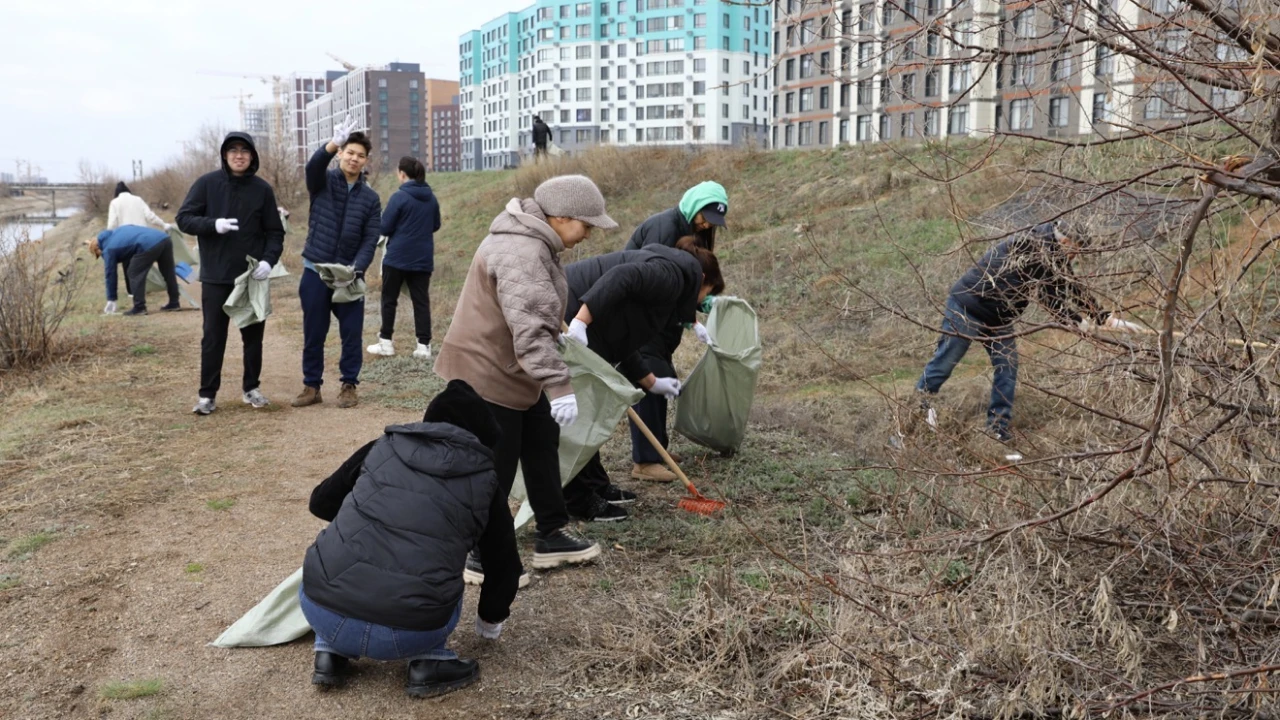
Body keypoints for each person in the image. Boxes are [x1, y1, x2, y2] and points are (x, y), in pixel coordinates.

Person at [435, 174, 617, 582]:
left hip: (515, 367)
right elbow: (529, 328)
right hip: (487, 370)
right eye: (587, 225)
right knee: (495, 463)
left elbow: (534, 311)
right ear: (562, 216)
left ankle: (551, 532)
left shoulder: (535, 240)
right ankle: (481, 554)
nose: (589, 233)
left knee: (541, 441)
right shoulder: (522, 250)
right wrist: (559, 385)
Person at [301, 379, 515, 698]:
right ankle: (428, 662)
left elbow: (320, 502)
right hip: (409, 632)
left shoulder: (383, 446)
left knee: (336, 557)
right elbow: (503, 564)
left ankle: (330, 650)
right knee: (445, 568)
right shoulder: (485, 480)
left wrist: (373, 517)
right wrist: (489, 621)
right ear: (482, 438)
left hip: (321, 609)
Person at [560, 237, 725, 521]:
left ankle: (597, 486)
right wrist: (580, 321)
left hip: (583, 317)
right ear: (703, 281)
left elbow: (624, 336)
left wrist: (651, 382)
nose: (700, 304)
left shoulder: (670, 289)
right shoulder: (670, 275)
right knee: (581, 411)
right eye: (707, 293)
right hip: (565, 309)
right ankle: (578, 500)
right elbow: (621, 277)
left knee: (588, 408)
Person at [916, 220, 1114, 442]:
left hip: (998, 318)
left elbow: (1071, 285)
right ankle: (914, 413)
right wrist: (1080, 323)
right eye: (1076, 250)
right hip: (968, 307)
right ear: (1066, 241)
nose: (1076, 256)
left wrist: (1101, 317)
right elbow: (1050, 300)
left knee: (1007, 367)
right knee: (945, 362)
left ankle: (997, 428)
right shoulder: (1033, 247)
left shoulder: (1053, 250)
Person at [620, 181, 729, 481]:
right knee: (650, 380)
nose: (707, 224)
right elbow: (649, 278)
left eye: (713, 221)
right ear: (694, 206)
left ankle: (659, 450)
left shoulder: (694, 232)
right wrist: (688, 317)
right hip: (641, 316)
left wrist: (699, 304)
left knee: (664, 377)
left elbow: (687, 279)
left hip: (663, 319)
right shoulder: (665, 227)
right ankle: (644, 462)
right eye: (705, 216)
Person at [177, 132, 285, 415]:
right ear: (225, 155)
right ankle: (207, 395)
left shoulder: (262, 190)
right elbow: (184, 218)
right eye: (233, 150)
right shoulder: (207, 184)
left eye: (245, 151)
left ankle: (251, 388)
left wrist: (268, 261)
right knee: (213, 336)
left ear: (252, 156)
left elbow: (275, 232)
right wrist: (213, 224)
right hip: (215, 275)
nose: (239, 155)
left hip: (250, 277)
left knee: (252, 336)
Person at [293, 116, 383, 410]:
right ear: (342, 153)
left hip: (348, 276)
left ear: (366, 161)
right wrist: (332, 143)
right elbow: (312, 166)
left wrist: (357, 269)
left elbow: (371, 239)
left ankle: (349, 385)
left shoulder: (370, 199)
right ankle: (311, 385)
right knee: (314, 332)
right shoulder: (322, 183)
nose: (354, 159)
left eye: (360, 156)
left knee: (351, 333)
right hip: (315, 270)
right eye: (349, 152)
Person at [367, 156, 441, 361]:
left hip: (397, 257)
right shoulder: (431, 198)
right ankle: (424, 346)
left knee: (389, 299)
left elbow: (385, 227)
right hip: (423, 259)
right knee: (421, 302)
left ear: (402, 174)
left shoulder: (399, 197)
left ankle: (386, 342)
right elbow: (436, 225)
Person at [87, 226, 181, 316]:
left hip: (147, 243)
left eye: (98, 254)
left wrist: (111, 298)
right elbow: (130, 246)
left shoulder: (108, 249)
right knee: (168, 271)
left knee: (134, 273)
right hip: (164, 238)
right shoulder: (118, 232)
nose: (101, 256)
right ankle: (174, 302)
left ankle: (139, 307)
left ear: (98, 249)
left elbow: (110, 274)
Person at [107, 181, 172, 232]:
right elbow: (150, 216)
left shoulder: (114, 203)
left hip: (126, 239)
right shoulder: (138, 199)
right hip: (143, 236)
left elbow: (112, 225)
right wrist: (164, 225)